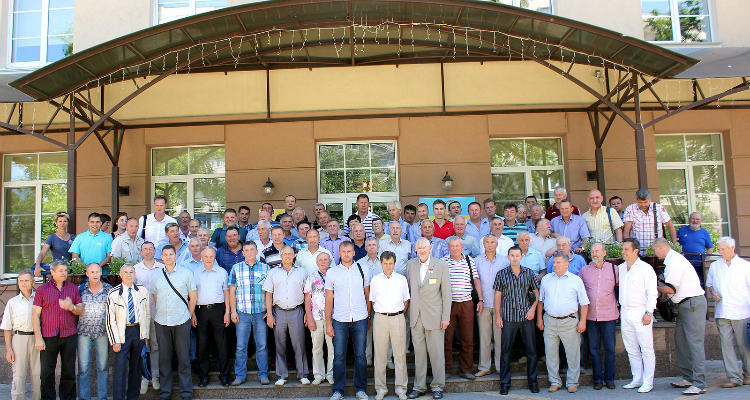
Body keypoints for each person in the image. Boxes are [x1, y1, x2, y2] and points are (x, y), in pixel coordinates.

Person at [653, 238, 707, 395]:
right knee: (681, 341)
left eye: (654, 250)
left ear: (661, 248)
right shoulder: (671, 260)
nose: (654, 253)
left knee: (695, 344)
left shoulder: (674, 261)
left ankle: (699, 383)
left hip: (692, 304)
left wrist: (654, 287)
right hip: (685, 305)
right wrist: (662, 295)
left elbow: (672, 289)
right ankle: (689, 377)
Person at [536, 252, 589, 394]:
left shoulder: (576, 280)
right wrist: (539, 319)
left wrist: (583, 321)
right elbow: (541, 301)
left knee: (572, 354)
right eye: (554, 262)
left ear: (567, 264)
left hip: (569, 321)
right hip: (550, 321)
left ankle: (572, 382)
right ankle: (554, 381)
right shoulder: (547, 279)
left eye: (558, 262)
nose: (555, 265)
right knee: (551, 353)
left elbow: (584, 303)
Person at [406, 238, 452, 400]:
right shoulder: (410, 265)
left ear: (430, 248)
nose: (421, 250)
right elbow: (409, 290)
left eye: (424, 247)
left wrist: (445, 317)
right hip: (416, 317)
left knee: (436, 353)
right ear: (415, 249)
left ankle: (438, 386)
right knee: (419, 354)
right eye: (419, 248)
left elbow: (446, 294)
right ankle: (419, 387)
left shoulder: (441, 265)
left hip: (435, 316)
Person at [325, 241, 371, 400]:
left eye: (349, 251)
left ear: (353, 253)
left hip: (360, 317)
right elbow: (329, 300)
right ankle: (338, 390)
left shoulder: (363, 269)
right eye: (343, 251)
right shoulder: (332, 273)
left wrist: (368, 317)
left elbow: (368, 295)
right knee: (339, 356)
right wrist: (328, 323)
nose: (346, 254)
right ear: (339, 253)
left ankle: (360, 389)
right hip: (339, 318)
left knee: (361, 355)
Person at [32, 260, 84, 400]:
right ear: (52, 272)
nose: (64, 273)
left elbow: (81, 310)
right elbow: (35, 314)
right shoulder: (42, 289)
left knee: (69, 373)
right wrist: (38, 337)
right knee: (47, 373)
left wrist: (72, 307)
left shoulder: (73, 288)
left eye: (65, 270)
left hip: (69, 335)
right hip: (48, 335)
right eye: (61, 270)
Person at [150, 245, 197, 400]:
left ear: (176, 256)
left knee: (184, 358)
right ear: (162, 257)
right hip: (162, 321)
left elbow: (193, 297)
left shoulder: (186, 273)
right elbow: (156, 298)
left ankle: (186, 392)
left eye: (171, 254)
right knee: (164, 359)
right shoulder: (156, 276)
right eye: (165, 255)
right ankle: (165, 393)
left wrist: (188, 315)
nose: (168, 257)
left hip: (181, 320)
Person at [704, 236, 750, 388]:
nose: (720, 252)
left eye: (723, 249)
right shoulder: (715, 266)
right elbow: (710, 285)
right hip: (722, 311)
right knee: (726, 346)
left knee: (743, 345)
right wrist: (714, 293)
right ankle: (733, 378)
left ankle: (748, 374)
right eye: (719, 249)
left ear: (732, 248)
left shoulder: (745, 266)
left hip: (741, 311)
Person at [494, 246, 539, 395]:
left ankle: (533, 382)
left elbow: (536, 293)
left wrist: (533, 309)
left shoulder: (529, 273)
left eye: (517, 255)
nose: (514, 258)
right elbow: (498, 296)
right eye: (512, 255)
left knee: (531, 351)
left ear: (521, 257)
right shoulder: (501, 274)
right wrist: (498, 316)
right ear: (508, 257)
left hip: (526, 316)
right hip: (509, 317)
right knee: (505, 351)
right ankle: (505, 383)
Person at [264, 246, 309, 386]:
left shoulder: (302, 271)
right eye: (285, 254)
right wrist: (269, 314)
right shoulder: (273, 272)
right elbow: (268, 294)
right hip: (279, 312)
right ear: (281, 255)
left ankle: (303, 375)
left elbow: (307, 294)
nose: (288, 256)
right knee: (280, 344)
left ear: (294, 255)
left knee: (299, 344)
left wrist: (307, 313)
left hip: (297, 311)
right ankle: (281, 375)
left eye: (290, 254)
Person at [228, 242, 271, 386]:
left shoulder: (266, 268)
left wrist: (269, 311)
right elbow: (232, 292)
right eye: (246, 250)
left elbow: (269, 292)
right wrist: (233, 311)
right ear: (243, 253)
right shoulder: (236, 268)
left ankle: (263, 374)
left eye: (252, 249)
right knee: (241, 346)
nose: (249, 252)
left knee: (262, 346)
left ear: (257, 251)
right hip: (243, 312)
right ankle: (240, 375)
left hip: (260, 312)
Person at [618, 238, 657, 393]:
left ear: (636, 251)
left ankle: (648, 382)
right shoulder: (621, 268)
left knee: (646, 348)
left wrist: (649, 312)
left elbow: (652, 292)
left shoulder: (645, 268)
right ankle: (637, 379)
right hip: (625, 311)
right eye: (623, 249)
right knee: (631, 348)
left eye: (626, 249)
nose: (623, 252)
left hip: (640, 311)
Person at [369, 251, 410, 400]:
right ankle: (381, 388)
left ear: (394, 263)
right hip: (380, 318)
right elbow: (373, 301)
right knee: (380, 355)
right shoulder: (375, 280)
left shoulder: (401, 279)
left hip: (397, 317)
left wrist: (398, 314)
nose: (388, 266)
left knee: (400, 355)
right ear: (381, 264)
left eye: (390, 263)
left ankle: (401, 388)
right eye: (385, 263)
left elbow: (406, 301)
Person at [105, 264, 150, 400]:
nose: (129, 275)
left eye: (131, 272)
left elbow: (147, 314)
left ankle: (133, 397)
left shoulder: (142, 291)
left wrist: (145, 335)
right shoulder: (113, 293)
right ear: (121, 275)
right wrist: (115, 340)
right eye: (125, 272)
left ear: (135, 274)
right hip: (122, 332)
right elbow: (110, 319)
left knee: (136, 367)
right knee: (120, 368)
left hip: (137, 330)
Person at [441, 237, 483, 380]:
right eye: (452, 246)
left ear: (462, 247)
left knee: (467, 338)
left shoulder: (469, 261)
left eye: (457, 246)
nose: (455, 248)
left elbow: (476, 281)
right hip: (449, 304)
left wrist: (481, 300)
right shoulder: (443, 262)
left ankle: (466, 369)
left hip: (466, 303)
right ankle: (446, 370)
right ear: (448, 247)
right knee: (447, 338)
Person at [577, 243, 618, 390]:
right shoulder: (584, 270)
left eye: (598, 251)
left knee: (610, 348)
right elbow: (579, 291)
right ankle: (598, 379)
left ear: (604, 253)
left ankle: (610, 379)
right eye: (593, 251)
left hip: (609, 315)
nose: (595, 254)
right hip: (590, 316)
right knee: (594, 349)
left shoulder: (614, 269)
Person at [193, 247, 231, 387]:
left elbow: (226, 293)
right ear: (202, 258)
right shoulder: (195, 273)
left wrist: (227, 312)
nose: (208, 259)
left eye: (211, 257)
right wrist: (192, 314)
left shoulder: (222, 272)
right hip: (201, 310)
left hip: (218, 309)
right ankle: (203, 376)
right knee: (202, 344)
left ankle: (224, 376)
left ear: (215, 258)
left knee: (221, 343)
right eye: (206, 257)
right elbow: (192, 295)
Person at [1, 270, 40, 400]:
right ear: (18, 283)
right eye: (21, 281)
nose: (24, 283)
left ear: (33, 282)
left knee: (38, 373)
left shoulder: (39, 299)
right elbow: (7, 328)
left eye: (27, 280)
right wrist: (8, 350)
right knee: (19, 374)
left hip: (37, 338)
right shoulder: (12, 302)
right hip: (19, 338)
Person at [475, 234, 509, 377]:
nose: (490, 245)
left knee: (499, 337)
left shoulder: (504, 261)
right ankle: (484, 366)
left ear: (497, 244)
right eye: (487, 242)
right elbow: (474, 282)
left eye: (492, 242)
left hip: (500, 305)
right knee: (484, 337)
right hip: (483, 303)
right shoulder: (476, 261)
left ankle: (500, 366)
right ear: (483, 244)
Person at [77, 263, 113, 400]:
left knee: (103, 368)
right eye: (92, 272)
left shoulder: (109, 289)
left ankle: (102, 397)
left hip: (102, 333)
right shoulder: (81, 289)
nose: (95, 274)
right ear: (87, 274)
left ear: (101, 273)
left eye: (97, 272)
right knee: (83, 369)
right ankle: (84, 397)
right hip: (83, 333)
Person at [133, 242, 163, 394]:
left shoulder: (162, 267)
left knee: (156, 346)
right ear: (141, 251)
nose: (148, 251)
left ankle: (155, 376)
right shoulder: (135, 269)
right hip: (141, 314)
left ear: (155, 251)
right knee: (143, 347)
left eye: (150, 249)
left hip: (158, 313)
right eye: (145, 249)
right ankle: (144, 376)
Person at [304, 252, 335, 386]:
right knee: (316, 347)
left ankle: (331, 374)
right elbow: (307, 298)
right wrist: (309, 317)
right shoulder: (311, 277)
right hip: (316, 317)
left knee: (332, 348)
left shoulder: (335, 275)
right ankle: (318, 375)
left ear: (330, 261)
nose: (323, 262)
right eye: (320, 260)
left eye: (325, 260)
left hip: (333, 318)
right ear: (317, 263)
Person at [676, 212, 714, 284]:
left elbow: (710, 248)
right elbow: (675, 245)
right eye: (693, 219)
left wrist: (706, 260)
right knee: (684, 285)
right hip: (684, 264)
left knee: (699, 284)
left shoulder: (705, 233)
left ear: (701, 221)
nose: (695, 221)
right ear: (689, 220)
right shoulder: (681, 231)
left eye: (697, 219)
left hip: (699, 265)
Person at [34, 212, 75, 277]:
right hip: (57, 270)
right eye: (60, 221)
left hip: (71, 270)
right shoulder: (52, 238)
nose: (62, 223)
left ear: (67, 223)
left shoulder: (73, 238)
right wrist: (37, 266)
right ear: (56, 223)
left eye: (65, 221)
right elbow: (42, 253)